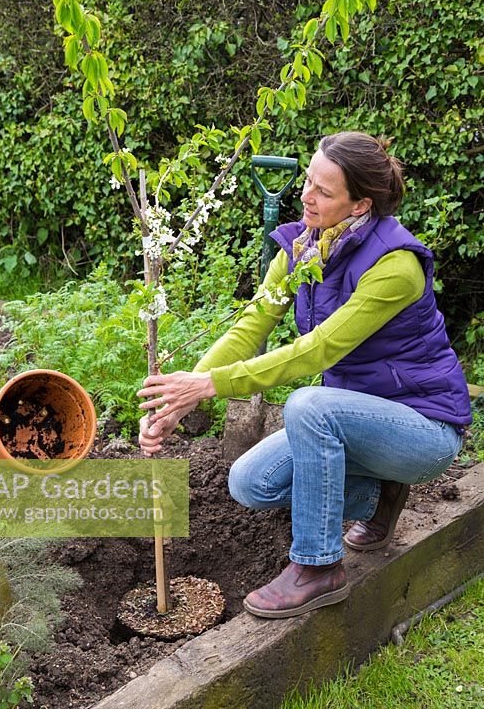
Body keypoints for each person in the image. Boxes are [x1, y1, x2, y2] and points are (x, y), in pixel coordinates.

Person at [137, 131, 472, 619]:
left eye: (323, 191)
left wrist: (212, 385)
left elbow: (318, 350)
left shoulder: (396, 266)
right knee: (250, 482)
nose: (305, 195)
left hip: (421, 429)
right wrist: (180, 398)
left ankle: (317, 568)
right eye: (308, 180)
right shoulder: (299, 251)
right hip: (353, 419)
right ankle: (380, 496)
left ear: (360, 206)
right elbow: (250, 326)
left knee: (308, 405)